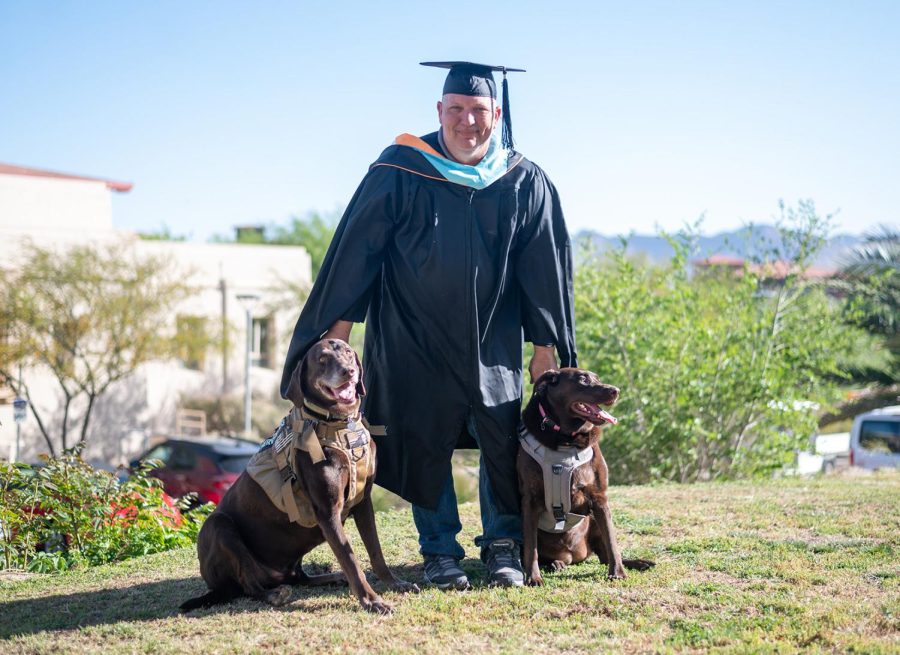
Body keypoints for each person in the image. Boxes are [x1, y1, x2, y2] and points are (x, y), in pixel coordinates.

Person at [281, 61, 576, 588]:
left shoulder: (521, 178)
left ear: (497, 114)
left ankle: (502, 546)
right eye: (457, 110)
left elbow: (542, 269)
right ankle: (439, 551)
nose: (468, 121)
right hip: (412, 337)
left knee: (502, 439)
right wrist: (338, 331)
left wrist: (545, 345)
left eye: (479, 111)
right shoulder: (400, 170)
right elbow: (358, 252)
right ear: (439, 111)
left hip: (494, 340)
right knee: (424, 437)